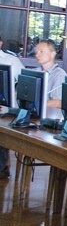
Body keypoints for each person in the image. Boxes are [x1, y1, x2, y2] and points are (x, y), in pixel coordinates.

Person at [0, 35, 24, 179]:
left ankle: (1, 167)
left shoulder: (11, 61)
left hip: (4, 109)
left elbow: (26, 85)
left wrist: (12, 100)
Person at [35, 40, 67, 118]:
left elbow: (57, 102)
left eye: (41, 52)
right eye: (36, 52)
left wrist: (36, 106)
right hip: (35, 114)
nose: (37, 55)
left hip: (49, 116)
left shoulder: (59, 74)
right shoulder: (34, 72)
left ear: (53, 54)